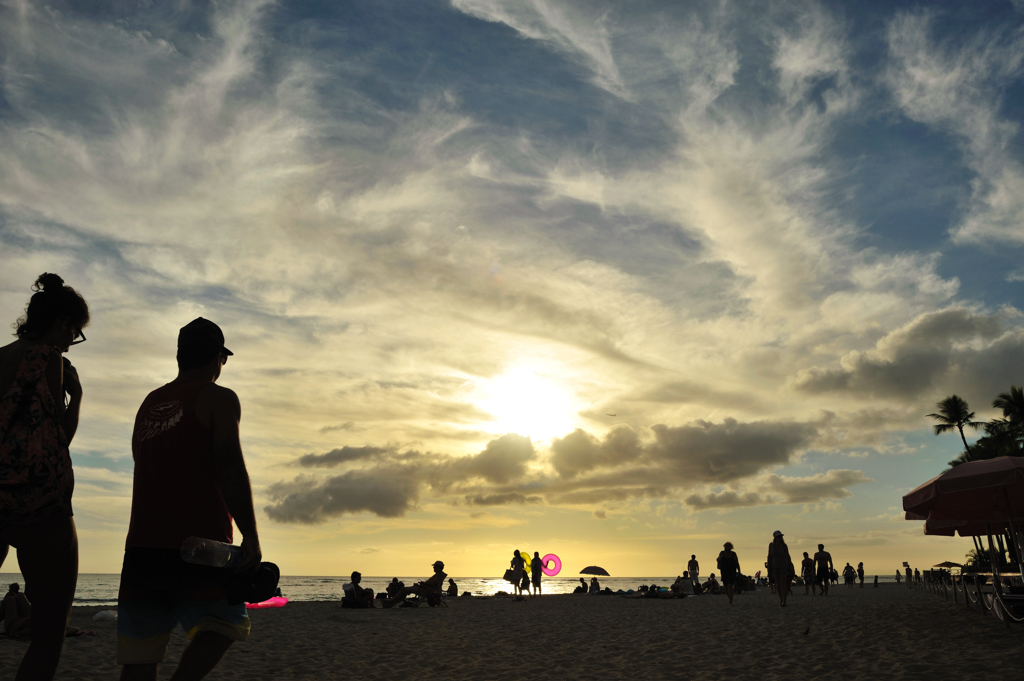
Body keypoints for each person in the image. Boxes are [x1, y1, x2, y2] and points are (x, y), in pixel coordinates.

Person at [118, 318, 261, 681]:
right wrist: (252, 537)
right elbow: (231, 467)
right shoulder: (219, 398)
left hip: (142, 546)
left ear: (180, 357)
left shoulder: (150, 402)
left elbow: (142, 462)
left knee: (140, 652)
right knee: (226, 624)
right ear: (218, 358)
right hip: (199, 544)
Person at [0, 273, 89, 680]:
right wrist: (77, 396)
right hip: (40, 503)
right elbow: (58, 438)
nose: (73, 341)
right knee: (49, 635)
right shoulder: (48, 359)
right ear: (61, 323)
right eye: (75, 331)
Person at [767, 531, 794, 607]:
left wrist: (790, 565)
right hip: (775, 566)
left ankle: (784, 601)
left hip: (783, 566)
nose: (780, 538)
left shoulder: (784, 545)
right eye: (778, 537)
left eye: (781, 536)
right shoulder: (771, 545)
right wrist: (769, 567)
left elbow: (788, 556)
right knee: (778, 584)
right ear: (775, 537)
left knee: (783, 584)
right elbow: (769, 556)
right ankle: (781, 599)